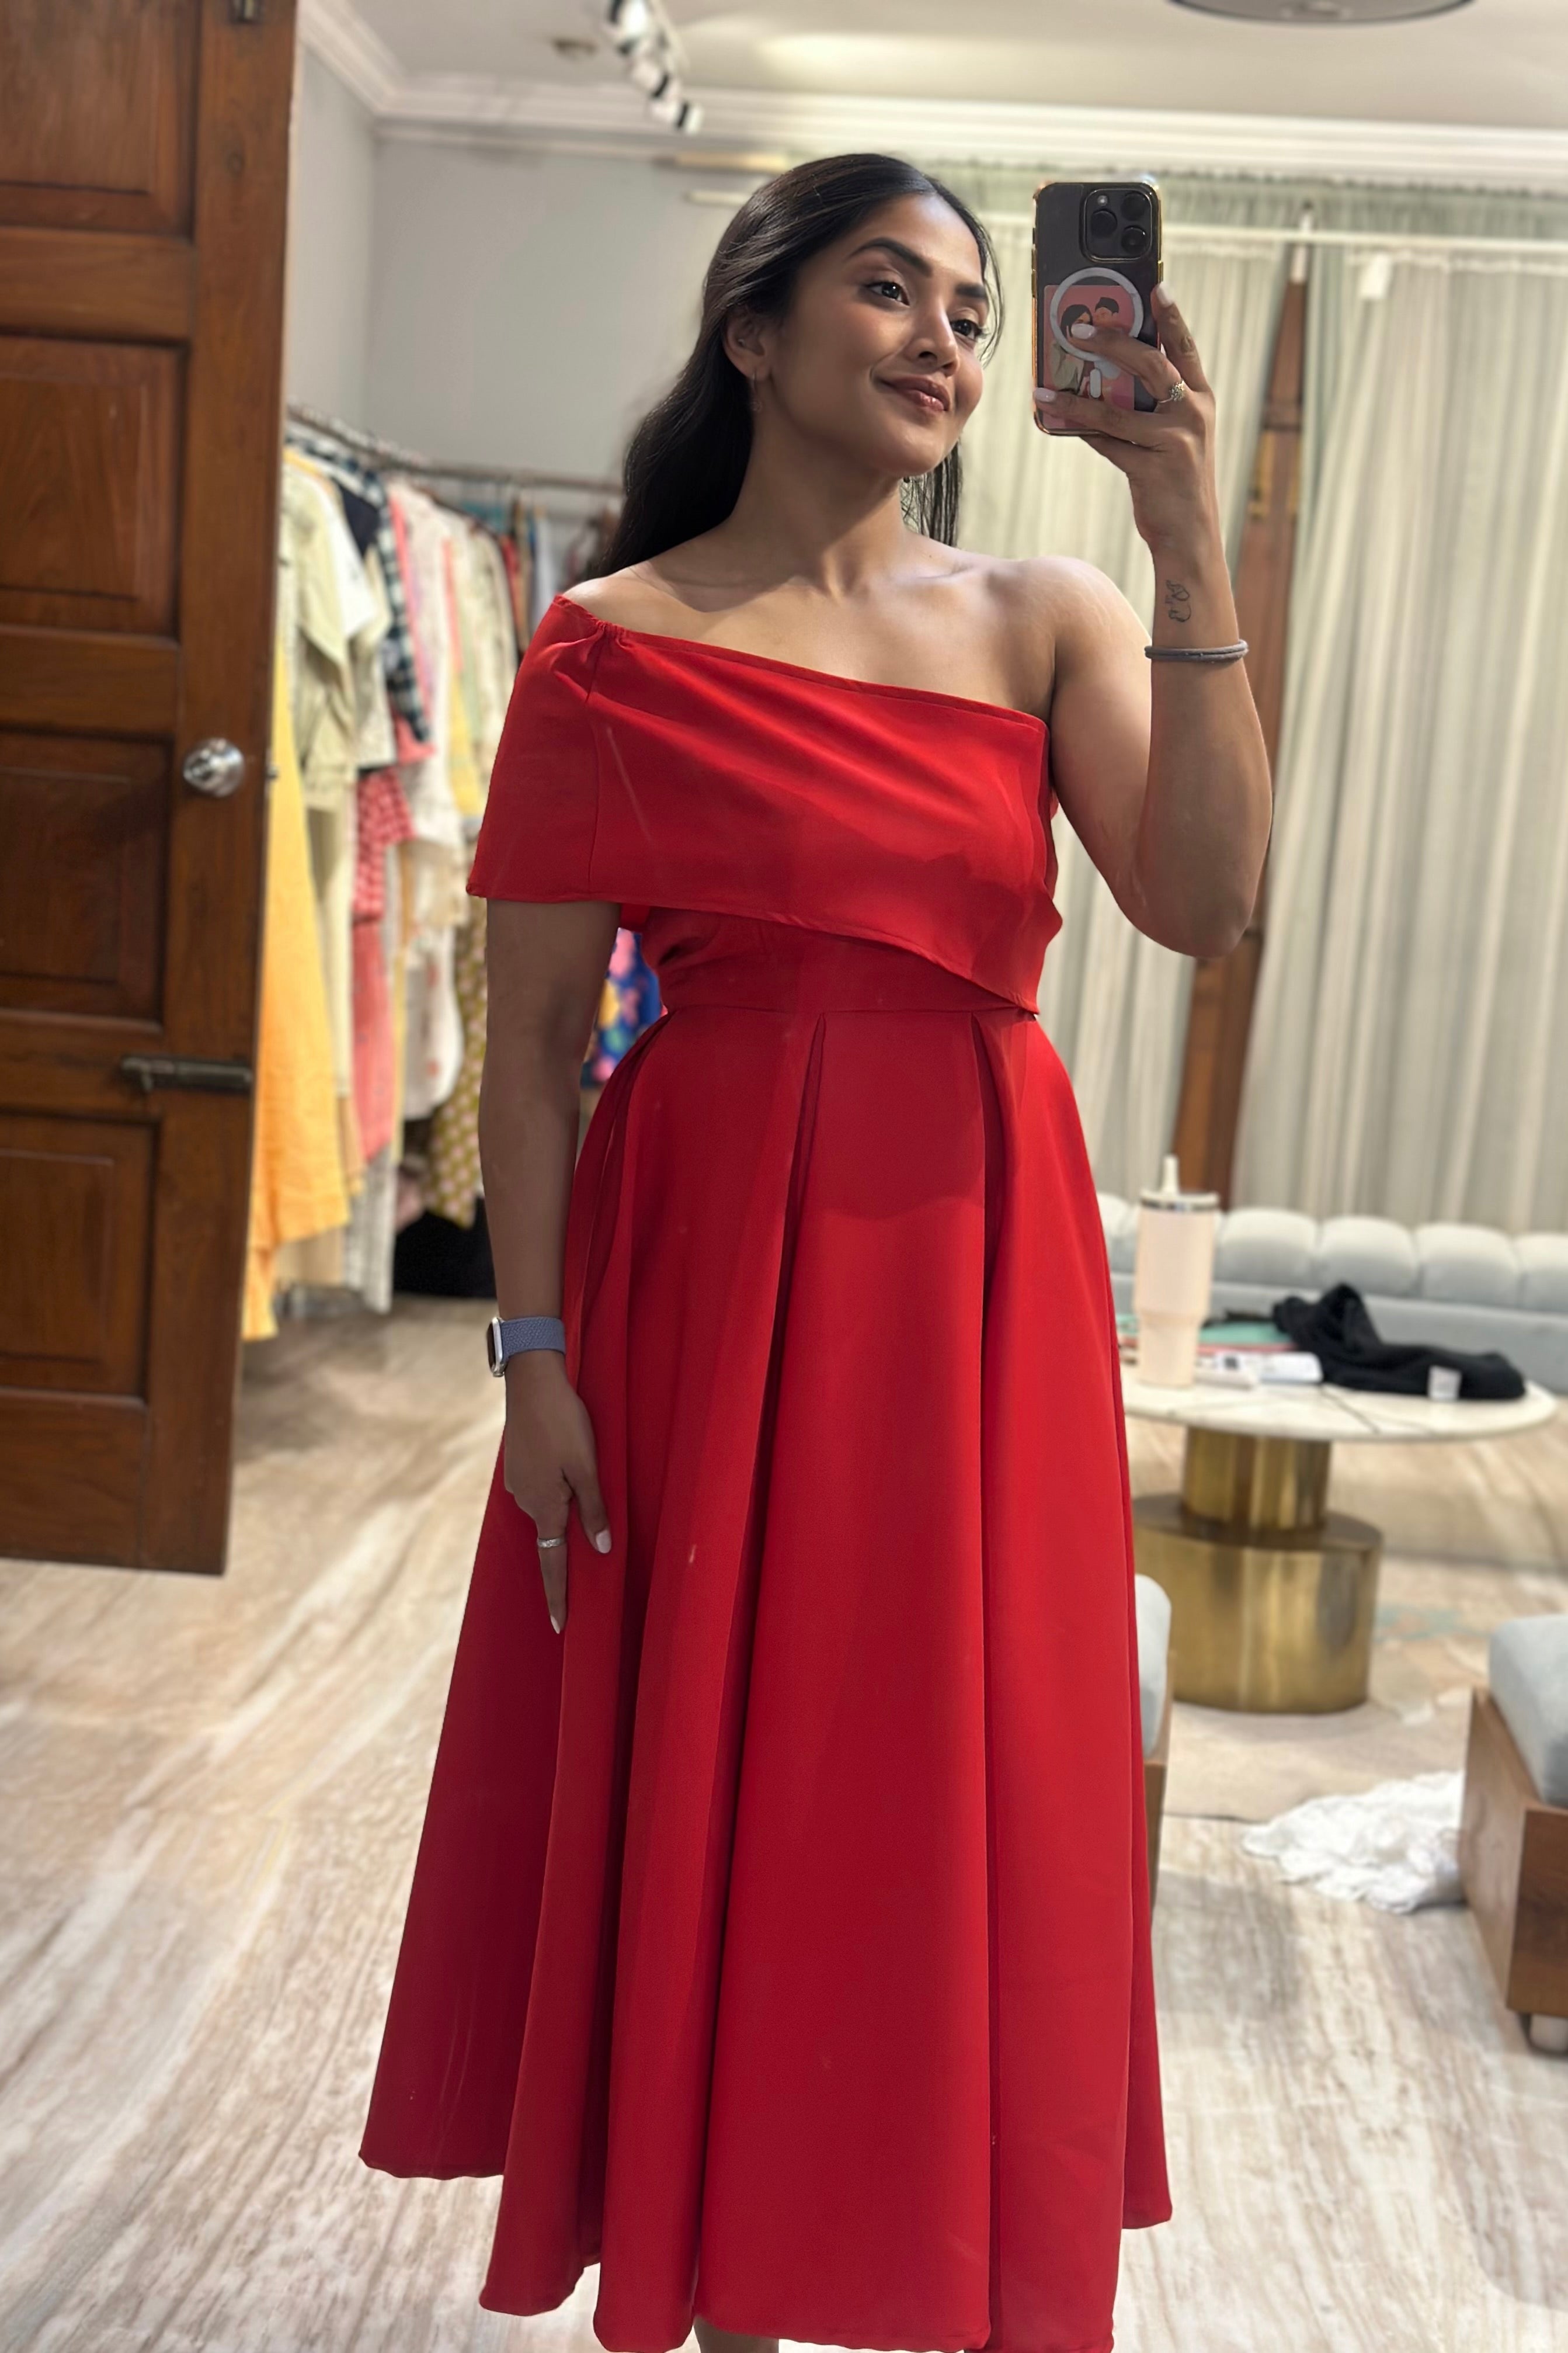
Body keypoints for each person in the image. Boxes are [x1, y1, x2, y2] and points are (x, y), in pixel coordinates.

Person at [359, 152, 1273, 2353]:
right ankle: (718, 2275)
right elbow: (543, 1058)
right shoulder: (609, 646)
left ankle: (913, 2245)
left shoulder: (1044, 612)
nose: (951, 338)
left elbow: (1206, 898)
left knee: (942, 1760)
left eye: (974, 304)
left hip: (973, 1268)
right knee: (714, 1750)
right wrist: (535, 1362)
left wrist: (1181, 531)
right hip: (706, 1282)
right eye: (892, 289)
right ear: (753, 332)